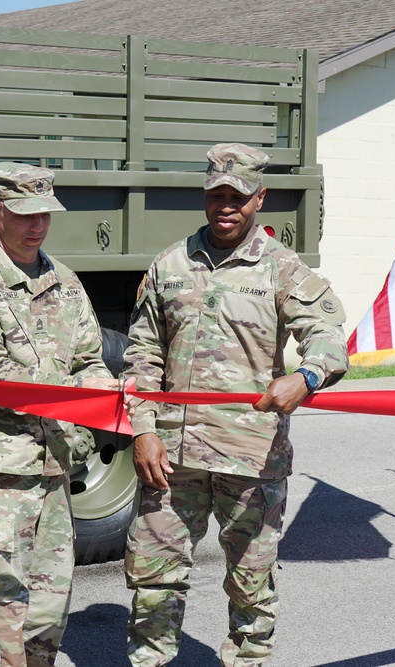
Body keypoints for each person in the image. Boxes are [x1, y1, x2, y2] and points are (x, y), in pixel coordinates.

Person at [122, 143, 350, 666]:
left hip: (249, 458)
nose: (226, 206)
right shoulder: (169, 265)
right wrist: (143, 430)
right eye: (216, 196)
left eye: (238, 197)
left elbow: (328, 338)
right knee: (154, 580)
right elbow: (141, 355)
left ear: (259, 199)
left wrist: (306, 376)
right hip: (171, 459)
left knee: (251, 584)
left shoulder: (282, 269)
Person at [0, 162, 123, 667]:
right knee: (0, 615)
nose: (36, 224)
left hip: (53, 471)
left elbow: (89, 358)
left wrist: (103, 394)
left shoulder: (65, 280)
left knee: (45, 616)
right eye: (23, 213)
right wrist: (80, 387)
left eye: (44, 213)